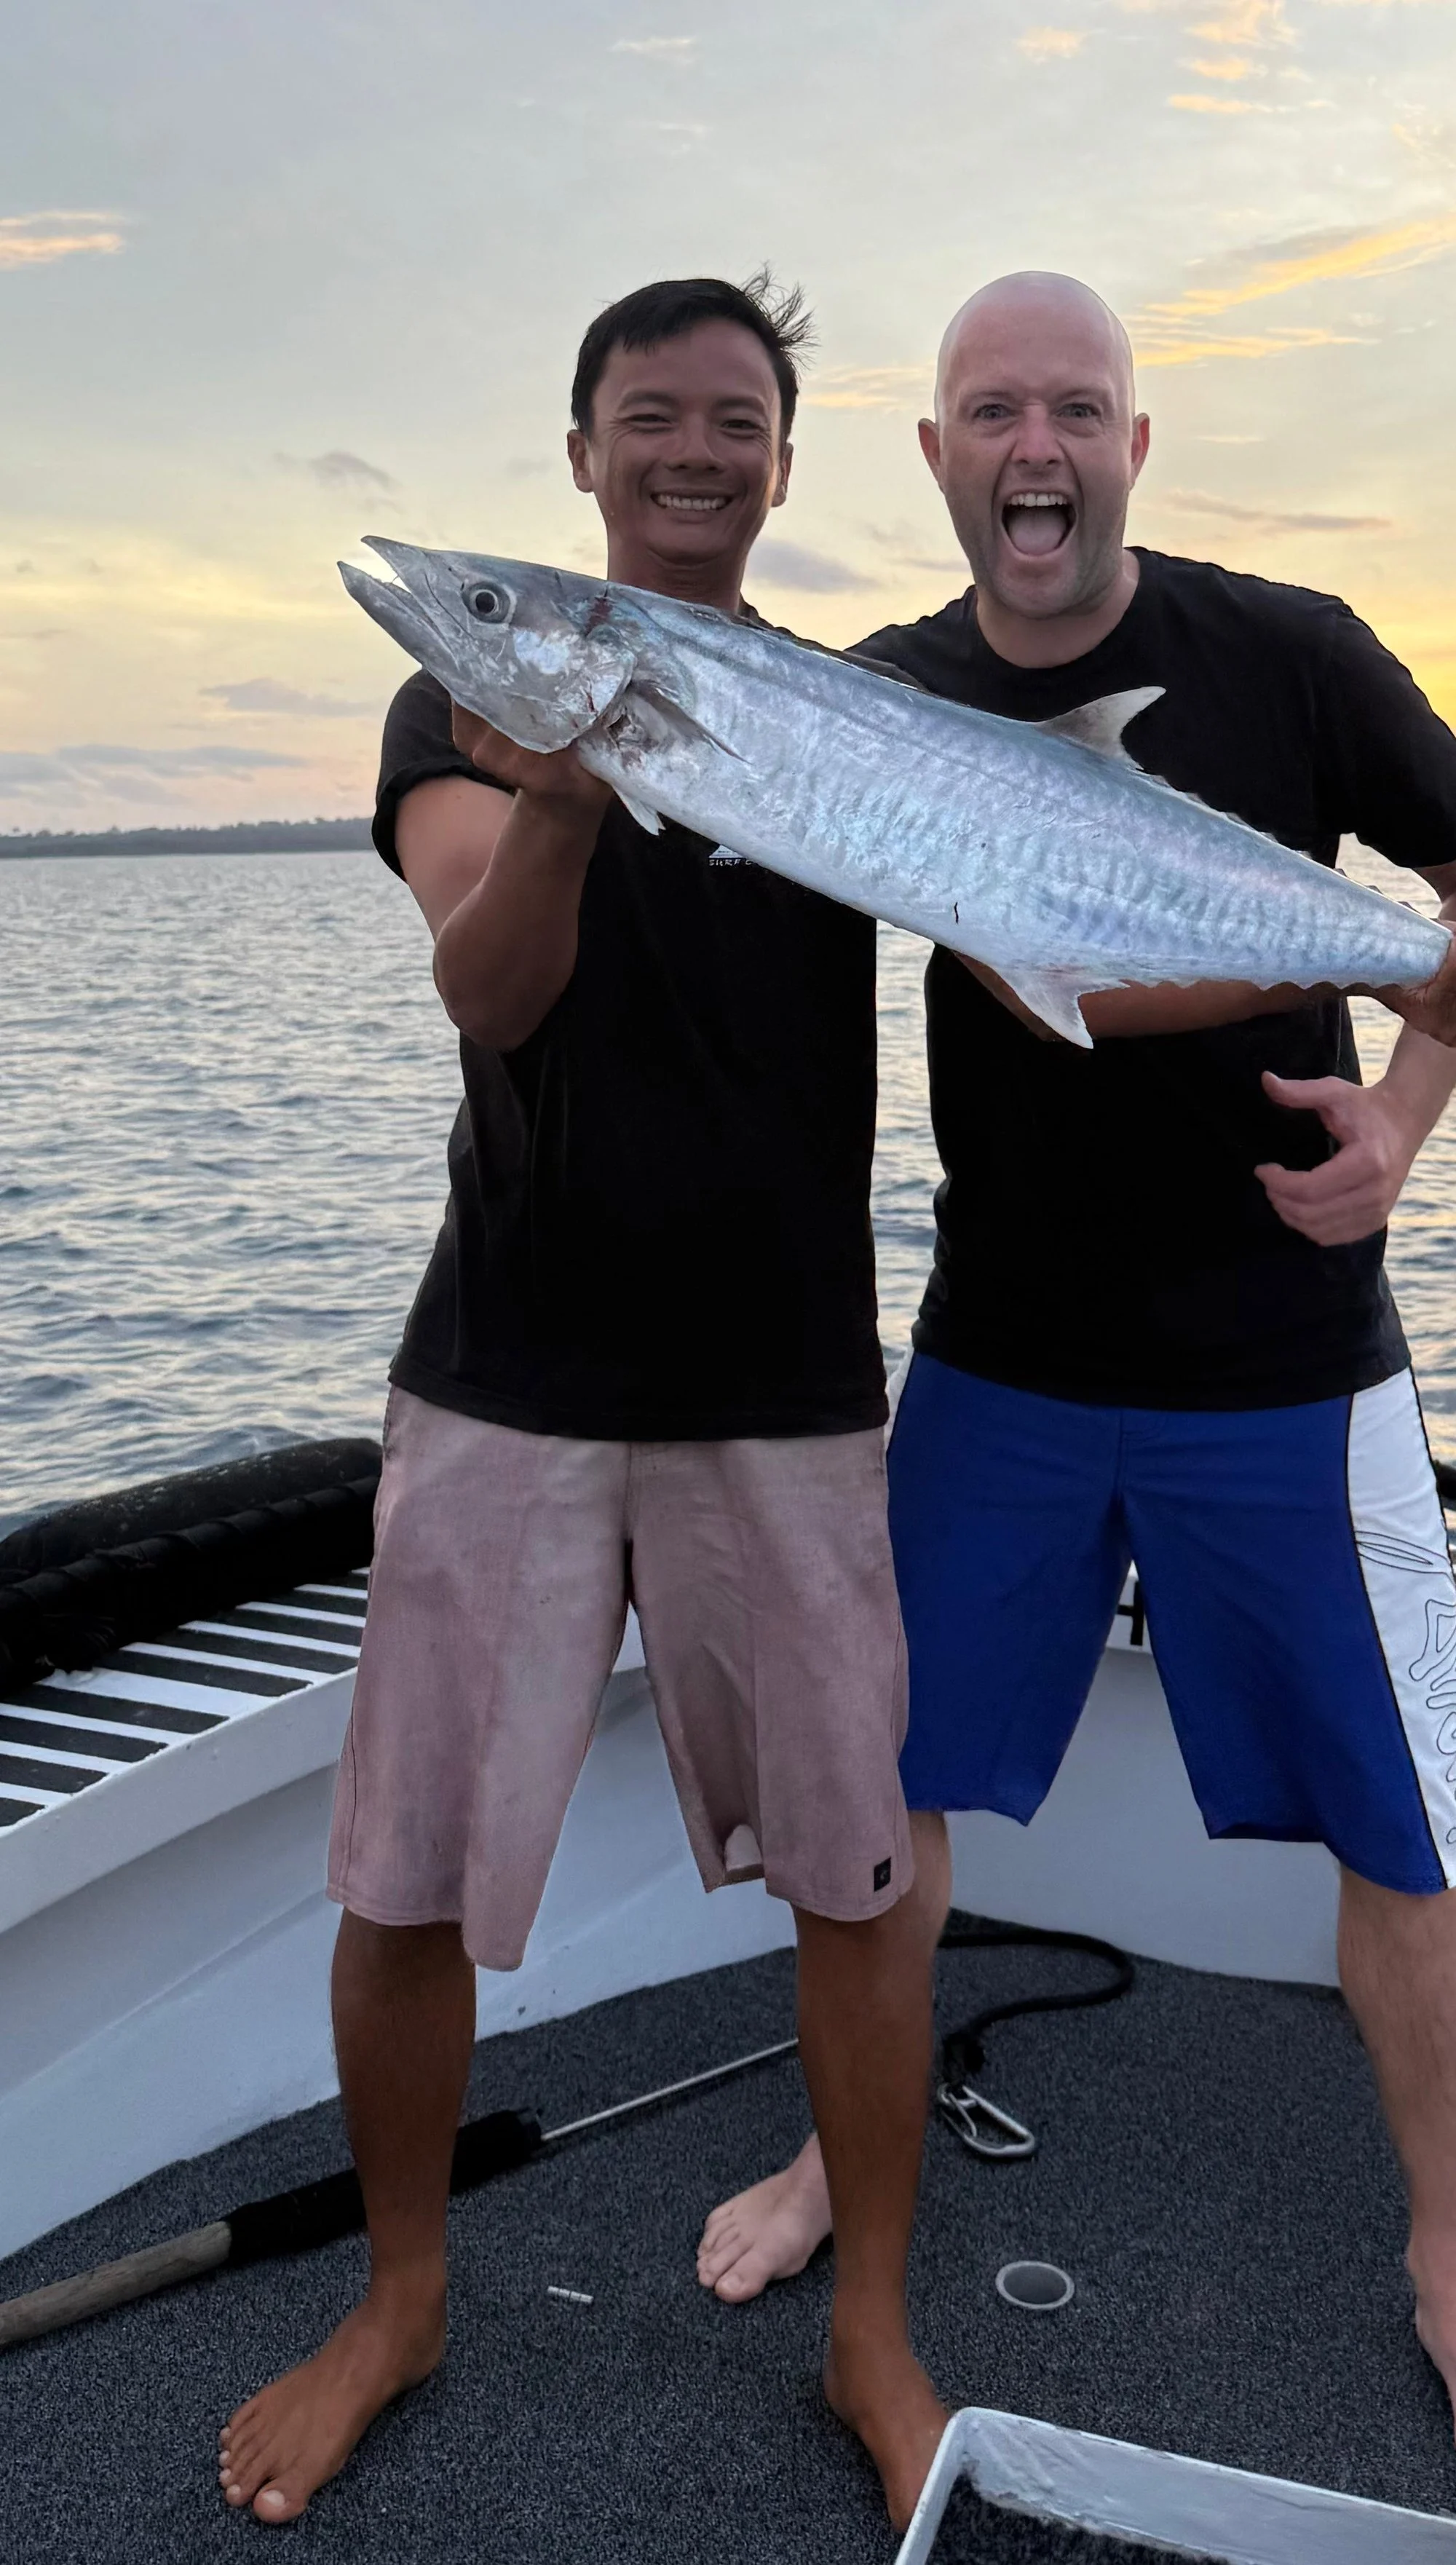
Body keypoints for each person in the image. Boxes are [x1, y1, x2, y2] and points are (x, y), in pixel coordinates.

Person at [699, 270, 1456, 2470]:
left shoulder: (1294, 652)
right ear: (938, 459)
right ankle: (840, 2156)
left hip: (1289, 1360)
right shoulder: (883, 699)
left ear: (1136, 445)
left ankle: (1448, 2261)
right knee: (879, 1816)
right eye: (991, 411)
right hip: (1000, 1358)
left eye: (1076, 407)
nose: (1035, 448)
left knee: (1408, 1831)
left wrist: (1401, 1133)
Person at [218, 274, 946, 2533]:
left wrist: (1415, 972)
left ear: (787, 462)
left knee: (856, 1874)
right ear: (584, 452)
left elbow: (1052, 901)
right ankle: (404, 2296)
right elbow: (492, 991)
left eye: (737, 420)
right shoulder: (455, 709)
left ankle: (873, 2328)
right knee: (408, 1878)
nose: (696, 453)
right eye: (652, 418)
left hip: (789, 1382)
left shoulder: (848, 711)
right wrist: (566, 776)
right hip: (512, 1370)